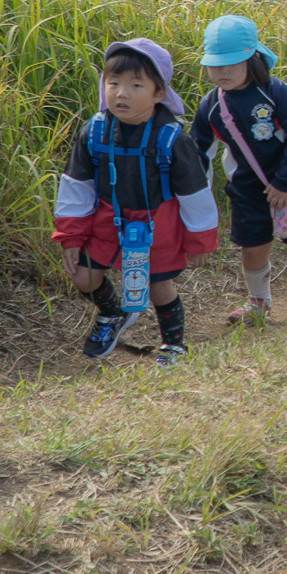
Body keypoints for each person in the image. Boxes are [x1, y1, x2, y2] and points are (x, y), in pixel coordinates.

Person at [53, 39, 219, 365]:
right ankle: (112, 313)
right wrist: (71, 236)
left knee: (159, 286)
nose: (122, 93)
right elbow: (76, 187)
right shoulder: (93, 132)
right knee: (83, 277)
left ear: (159, 94)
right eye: (113, 83)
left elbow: (195, 194)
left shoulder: (172, 138)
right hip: (106, 221)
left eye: (136, 85)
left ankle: (173, 344)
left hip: (158, 225)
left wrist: (200, 240)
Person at [190, 14, 287, 325]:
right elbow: (199, 153)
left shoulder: (276, 93)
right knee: (253, 248)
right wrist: (197, 199)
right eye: (215, 65)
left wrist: (284, 181)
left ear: (252, 58)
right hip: (247, 188)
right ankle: (258, 301)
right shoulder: (210, 106)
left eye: (230, 64)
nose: (221, 71)